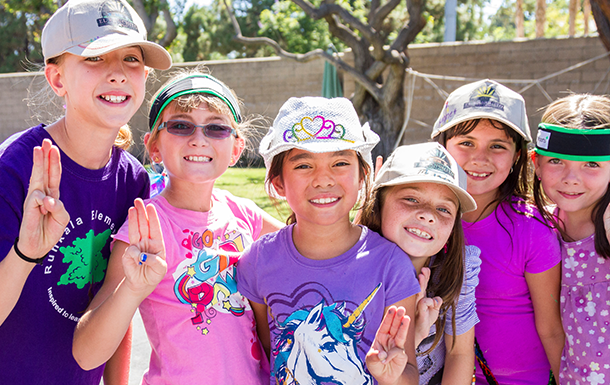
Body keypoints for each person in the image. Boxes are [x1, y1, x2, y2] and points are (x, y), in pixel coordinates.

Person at [72, 71, 284, 384]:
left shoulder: (244, 214)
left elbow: (309, 243)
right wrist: (132, 288)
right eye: (181, 126)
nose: (199, 139)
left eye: (216, 128)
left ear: (237, 148)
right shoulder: (143, 229)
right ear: (153, 147)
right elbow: (87, 354)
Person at [0, 0, 171, 383]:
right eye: (95, 58)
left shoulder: (134, 181)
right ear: (57, 79)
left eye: (130, 59)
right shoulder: (14, 167)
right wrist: (25, 253)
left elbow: (115, 303)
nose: (117, 74)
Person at [237, 96, 421, 385]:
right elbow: (268, 353)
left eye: (339, 163)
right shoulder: (257, 261)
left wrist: (391, 375)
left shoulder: (391, 264)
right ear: (278, 183)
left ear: (362, 175)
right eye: (303, 166)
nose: (323, 179)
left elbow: (408, 373)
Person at [432, 79, 564, 384]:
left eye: (498, 146)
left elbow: (551, 328)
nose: (480, 158)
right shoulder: (418, 220)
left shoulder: (533, 230)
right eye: (466, 143)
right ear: (443, 147)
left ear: (518, 155)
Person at [359, 142, 481, 385]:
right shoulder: (348, 261)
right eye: (412, 199)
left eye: (444, 209)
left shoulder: (458, 268)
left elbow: (459, 353)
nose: (428, 214)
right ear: (378, 203)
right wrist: (412, 338)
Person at [532, 94, 610, 384]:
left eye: (592, 164)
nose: (571, 178)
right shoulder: (539, 231)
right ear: (536, 164)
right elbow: (550, 329)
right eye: (556, 161)